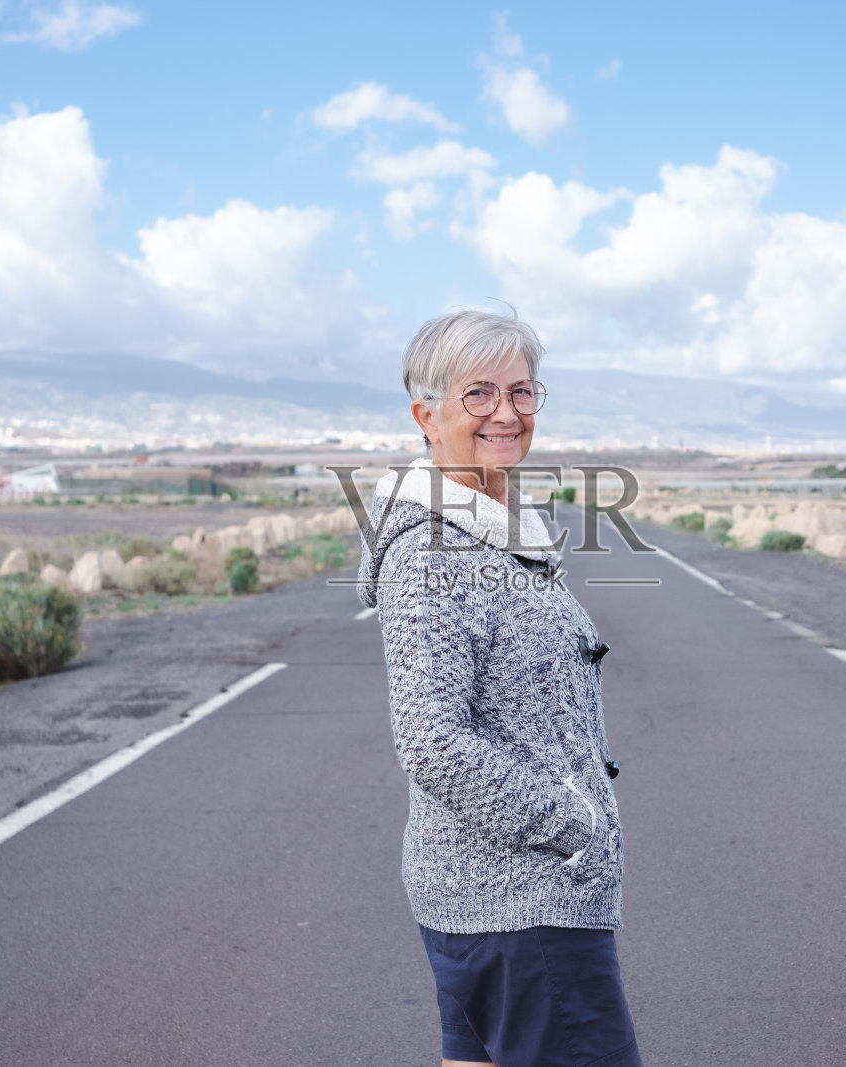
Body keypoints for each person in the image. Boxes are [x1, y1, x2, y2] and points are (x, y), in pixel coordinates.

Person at [356, 307, 642, 1067]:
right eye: (478, 393)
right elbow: (430, 739)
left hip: (488, 899)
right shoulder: (434, 553)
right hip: (520, 903)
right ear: (427, 414)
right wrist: (569, 823)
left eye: (521, 391)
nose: (506, 412)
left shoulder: (491, 528)